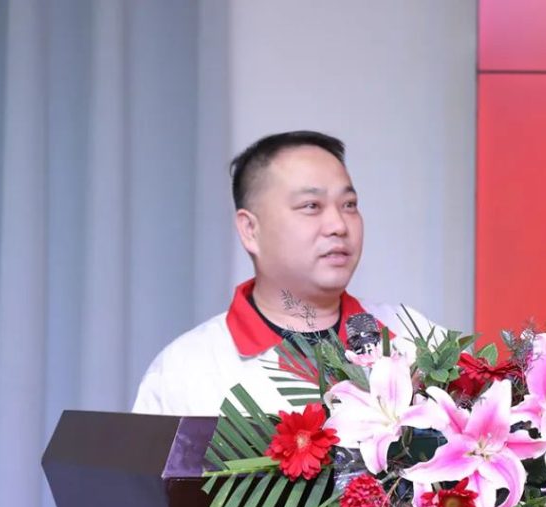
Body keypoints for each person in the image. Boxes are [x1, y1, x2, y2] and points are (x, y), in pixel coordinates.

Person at [132, 130, 441, 416]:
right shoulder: (184, 371)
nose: (338, 225)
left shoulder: (413, 336)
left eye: (349, 204)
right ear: (250, 229)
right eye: (311, 206)